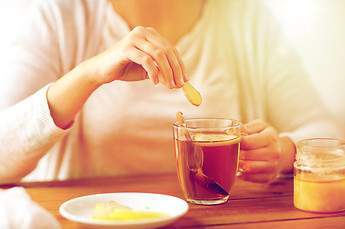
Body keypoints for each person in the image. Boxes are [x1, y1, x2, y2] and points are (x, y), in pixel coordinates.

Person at [0, 0, 341, 184]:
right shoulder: (61, 17)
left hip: (222, 225)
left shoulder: (245, 17)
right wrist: (89, 73)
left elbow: (327, 134)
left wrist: (283, 151)